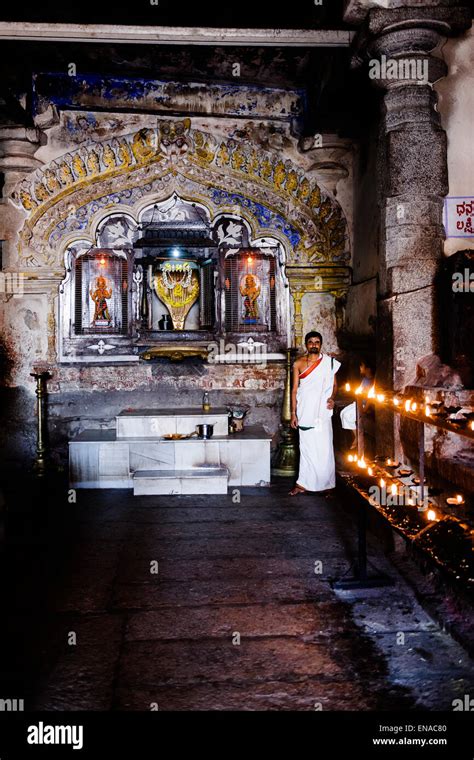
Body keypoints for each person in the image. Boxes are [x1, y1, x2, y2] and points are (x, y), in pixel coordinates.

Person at [289, 332, 341, 496]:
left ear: (321, 344)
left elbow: (334, 386)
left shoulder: (329, 363)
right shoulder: (298, 363)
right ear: (306, 344)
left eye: (317, 342)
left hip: (322, 412)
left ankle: (328, 485)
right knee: (306, 448)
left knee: (324, 448)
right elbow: (294, 390)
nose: (313, 345)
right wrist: (293, 413)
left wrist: (332, 398)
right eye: (310, 342)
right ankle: (302, 483)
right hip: (305, 410)